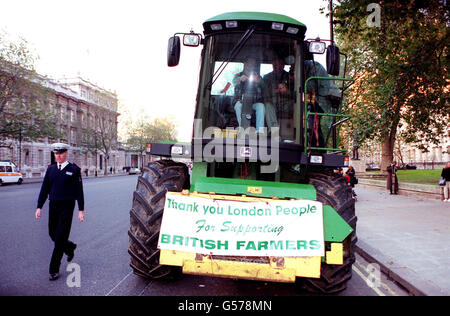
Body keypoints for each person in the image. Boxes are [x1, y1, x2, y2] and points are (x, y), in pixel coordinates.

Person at [35, 143, 85, 281]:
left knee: (59, 238)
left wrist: (81, 209)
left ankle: (53, 269)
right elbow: (44, 189)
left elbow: (79, 191)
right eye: (56, 153)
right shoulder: (51, 169)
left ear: (66, 153)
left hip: (67, 206)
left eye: (61, 153)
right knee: (52, 233)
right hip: (54, 205)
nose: (58, 156)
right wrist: (39, 206)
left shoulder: (74, 170)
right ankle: (69, 247)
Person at [233, 56, 265, 133]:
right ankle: (243, 129)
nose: (251, 64)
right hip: (241, 101)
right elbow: (234, 82)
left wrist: (258, 81)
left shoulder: (257, 76)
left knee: (261, 106)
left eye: (253, 63)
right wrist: (240, 79)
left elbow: (263, 85)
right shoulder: (238, 75)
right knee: (237, 106)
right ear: (245, 63)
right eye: (250, 62)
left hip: (254, 102)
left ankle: (259, 132)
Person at [262, 56, 292, 130]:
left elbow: (297, 93)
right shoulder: (266, 77)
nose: (275, 67)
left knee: (299, 105)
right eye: (274, 65)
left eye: (277, 64)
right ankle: (274, 134)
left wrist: (287, 91)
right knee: (267, 106)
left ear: (283, 65)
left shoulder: (290, 77)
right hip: (272, 103)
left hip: (286, 103)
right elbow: (264, 93)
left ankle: (300, 133)